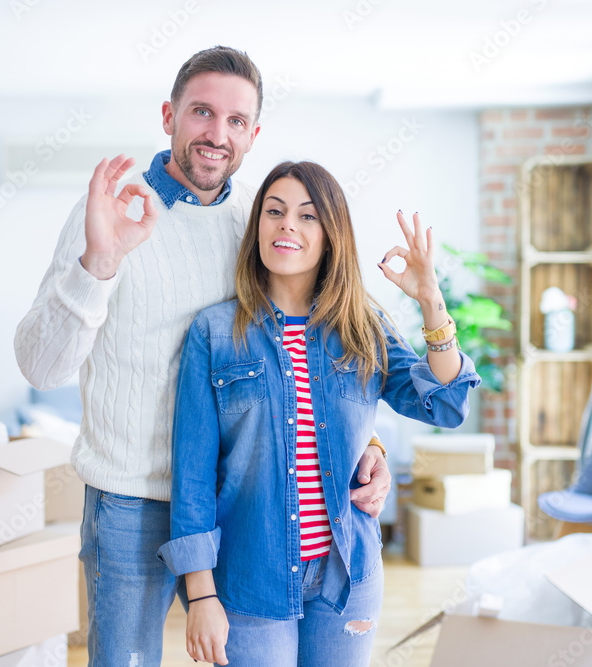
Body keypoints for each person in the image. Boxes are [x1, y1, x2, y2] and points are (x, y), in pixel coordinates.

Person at [14, 47, 392, 667]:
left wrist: (367, 447)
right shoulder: (112, 215)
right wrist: (100, 265)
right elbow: (40, 367)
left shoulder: (260, 217)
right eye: (201, 113)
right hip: (131, 504)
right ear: (168, 115)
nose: (218, 135)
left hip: (241, 512)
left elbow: (315, 348)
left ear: (254, 134)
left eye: (236, 121)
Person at [158, 161, 481, 666]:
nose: (288, 224)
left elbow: (443, 402)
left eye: (308, 216)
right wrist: (200, 596)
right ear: (257, 228)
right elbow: (193, 477)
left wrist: (430, 299)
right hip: (250, 582)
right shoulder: (215, 333)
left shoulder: (362, 325)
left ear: (331, 236)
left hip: (347, 577)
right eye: (275, 211)